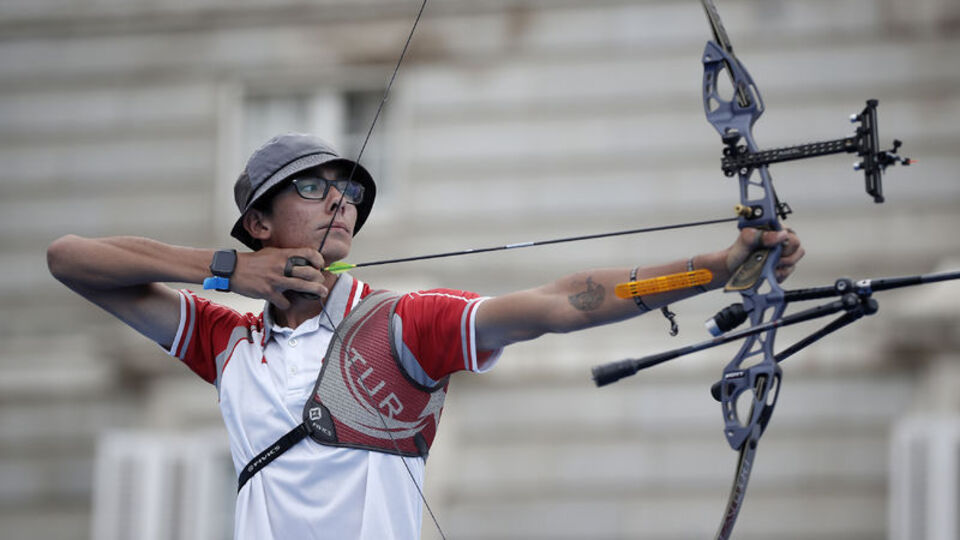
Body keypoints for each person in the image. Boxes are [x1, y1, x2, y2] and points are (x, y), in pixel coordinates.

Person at [47, 133, 804, 539]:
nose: (340, 201)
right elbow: (70, 260)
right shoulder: (229, 339)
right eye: (313, 187)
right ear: (259, 222)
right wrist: (230, 271)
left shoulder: (401, 324)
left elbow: (558, 303)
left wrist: (711, 269)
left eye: (351, 191)